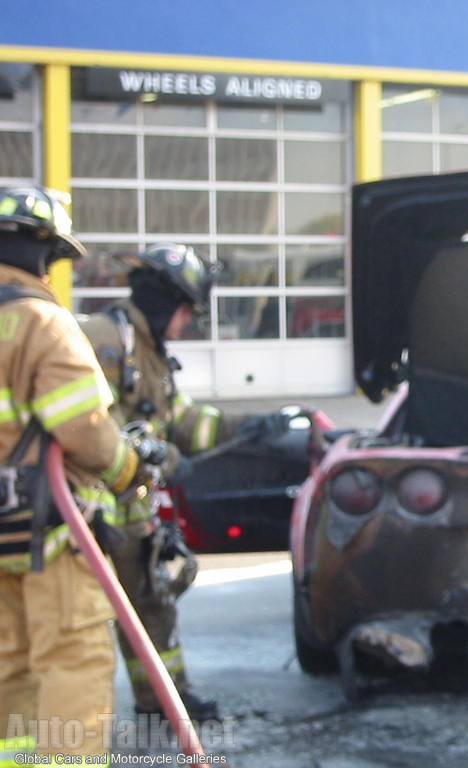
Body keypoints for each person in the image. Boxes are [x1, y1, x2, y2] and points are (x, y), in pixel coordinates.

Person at [78, 243, 291, 723]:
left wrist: (249, 426)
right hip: (91, 514)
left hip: (130, 512)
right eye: (186, 310)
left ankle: (164, 700)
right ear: (167, 302)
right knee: (82, 624)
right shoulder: (105, 340)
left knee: (153, 607)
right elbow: (92, 427)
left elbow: (181, 421)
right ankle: (71, 731)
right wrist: (164, 457)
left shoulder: (150, 352)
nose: (187, 322)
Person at [0, 187, 155, 763]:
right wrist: (128, 468)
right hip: (46, 529)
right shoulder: (41, 322)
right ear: (43, 249)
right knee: (72, 660)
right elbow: (83, 427)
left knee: (9, 662)